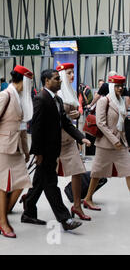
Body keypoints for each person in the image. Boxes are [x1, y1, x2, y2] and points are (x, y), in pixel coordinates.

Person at [21, 69, 91, 231]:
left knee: (39, 182)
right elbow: (36, 128)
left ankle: (28, 211)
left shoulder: (57, 100)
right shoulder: (40, 99)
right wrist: (37, 153)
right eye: (56, 79)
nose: (60, 81)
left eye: (59, 78)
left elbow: (66, 124)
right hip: (45, 152)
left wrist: (81, 137)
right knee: (51, 185)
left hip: (54, 150)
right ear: (46, 81)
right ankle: (65, 219)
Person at [0, 65, 33, 238]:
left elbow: (22, 126)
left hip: (16, 146)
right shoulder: (6, 95)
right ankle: (3, 221)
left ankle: (2, 213)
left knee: (22, 182)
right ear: (24, 80)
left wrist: (26, 150)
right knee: (4, 185)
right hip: (1, 147)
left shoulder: (20, 97)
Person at [83, 75, 130, 210]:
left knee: (128, 171)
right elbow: (101, 123)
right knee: (97, 173)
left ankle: (87, 198)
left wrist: (123, 140)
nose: (120, 88)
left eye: (121, 86)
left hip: (121, 144)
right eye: (117, 86)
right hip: (105, 144)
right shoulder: (105, 100)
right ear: (111, 86)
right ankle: (87, 198)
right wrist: (114, 140)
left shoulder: (121, 101)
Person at [55, 63, 90, 221]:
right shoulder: (56, 94)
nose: (72, 76)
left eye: (73, 73)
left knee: (78, 171)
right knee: (44, 178)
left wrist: (75, 116)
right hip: (55, 141)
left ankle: (77, 205)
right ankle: (30, 200)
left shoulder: (72, 92)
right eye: (69, 73)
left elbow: (73, 116)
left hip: (69, 141)